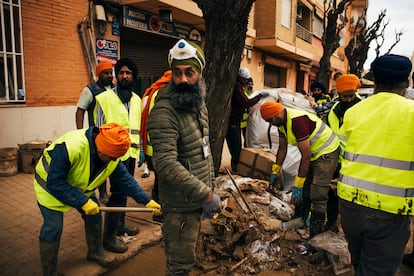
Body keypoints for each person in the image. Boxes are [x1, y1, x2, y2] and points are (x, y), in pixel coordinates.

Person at [34, 122, 161, 275]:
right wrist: (82, 202)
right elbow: (54, 183)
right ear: (100, 148)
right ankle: (49, 272)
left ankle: (95, 252)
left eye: (115, 158)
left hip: (79, 188)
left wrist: (146, 201)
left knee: (94, 214)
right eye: (109, 157)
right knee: (53, 227)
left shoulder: (111, 157)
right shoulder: (71, 146)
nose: (111, 161)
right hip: (49, 189)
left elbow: (125, 179)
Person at [147, 39, 221, 275]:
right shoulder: (165, 110)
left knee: (187, 257)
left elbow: (201, 149)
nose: (183, 80)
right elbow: (165, 164)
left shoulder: (197, 102)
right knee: (179, 266)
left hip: (194, 200)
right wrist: (206, 193)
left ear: (199, 73)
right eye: (177, 73)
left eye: (189, 72)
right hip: (180, 206)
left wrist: (208, 185)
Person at [337, 54, 414, 275]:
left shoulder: (354, 112)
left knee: (361, 262)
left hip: (351, 204)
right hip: (390, 210)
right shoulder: (411, 112)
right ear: (406, 83)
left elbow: (343, 152)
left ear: (375, 81)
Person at [260, 101, 340, 238]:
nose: (270, 124)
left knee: (318, 193)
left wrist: (298, 183)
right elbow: (282, 149)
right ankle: (300, 220)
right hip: (314, 154)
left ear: (277, 113)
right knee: (306, 189)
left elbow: (305, 156)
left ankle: (316, 232)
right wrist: (275, 170)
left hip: (327, 152)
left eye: (270, 120)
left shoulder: (298, 121)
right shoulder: (282, 124)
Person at [94, 58, 147, 253]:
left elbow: (138, 127)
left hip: (131, 153)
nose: (125, 76)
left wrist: (140, 147)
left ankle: (121, 225)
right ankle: (108, 238)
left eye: (129, 73)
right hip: (113, 155)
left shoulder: (136, 99)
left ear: (134, 76)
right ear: (117, 75)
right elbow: (98, 129)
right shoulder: (105, 98)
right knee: (117, 193)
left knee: (123, 191)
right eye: (122, 72)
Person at [325, 74, 362, 232]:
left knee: (353, 198)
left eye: (351, 96)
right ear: (338, 94)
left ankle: (351, 228)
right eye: (344, 96)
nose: (348, 99)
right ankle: (332, 222)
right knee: (333, 194)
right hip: (338, 160)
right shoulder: (334, 111)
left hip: (358, 162)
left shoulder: (363, 108)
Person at [75, 61, 114, 204]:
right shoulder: (90, 90)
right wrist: (80, 133)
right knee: (100, 166)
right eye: (106, 73)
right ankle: (102, 194)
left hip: (113, 135)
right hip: (98, 135)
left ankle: (113, 191)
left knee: (112, 165)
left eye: (111, 72)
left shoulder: (115, 89)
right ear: (99, 74)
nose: (110, 75)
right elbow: (80, 111)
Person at [140, 69, 172, 223]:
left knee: (159, 180)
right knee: (162, 182)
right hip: (160, 147)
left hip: (150, 146)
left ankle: (159, 211)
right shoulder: (165, 94)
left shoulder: (150, 92)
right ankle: (159, 213)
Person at [227, 68, 268, 171]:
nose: (247, 83)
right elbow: (246, 102)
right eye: (245, 80)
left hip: (239, 122)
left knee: (238, 146)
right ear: (242, 79)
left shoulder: (239, 87)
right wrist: (259, 97)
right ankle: (236, 168)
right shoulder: (237, 87)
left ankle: (237, 167)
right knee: (236, 147)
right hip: (234, 121)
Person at [240, 77, 254, 147]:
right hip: (240, 121)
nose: (250, 86)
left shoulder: (253, 95)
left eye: (252, 84)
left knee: (247, 141)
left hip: (247, 123)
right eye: (249, 84)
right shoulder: (243, 94)